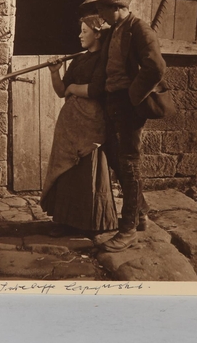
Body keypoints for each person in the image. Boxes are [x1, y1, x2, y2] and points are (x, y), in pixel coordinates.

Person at [80, 0, 166, 252]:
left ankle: (127, 230)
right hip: (113, 103)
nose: (99, 14)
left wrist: (132, 96)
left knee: (129, 163)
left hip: (128, 105)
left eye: (102, 8)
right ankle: (140, 213)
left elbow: (155, 67)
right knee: (116, 159)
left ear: (116, 6)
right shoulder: (115, 28)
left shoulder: (138, 29)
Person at [40, 15, 118, 237]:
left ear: (98, 33)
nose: (80, 35)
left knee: (87, 172)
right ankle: (67, 220)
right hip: (70, 127)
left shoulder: (105, 59)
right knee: (67, 170)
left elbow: (95, 90)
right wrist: (55, 72)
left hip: (91, 125)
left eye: (84, 31)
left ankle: (92, 223)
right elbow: (61, 91)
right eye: (81, 31)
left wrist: (73, 87)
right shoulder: (79, 60)